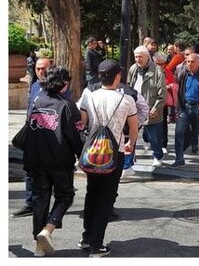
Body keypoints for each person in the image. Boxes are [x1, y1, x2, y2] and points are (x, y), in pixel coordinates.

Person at [78, 60, 139, 257]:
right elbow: (133, 127)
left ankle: (86, 237)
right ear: (118, 77)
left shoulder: (90, 97)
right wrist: (131, 143)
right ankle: (97, 244)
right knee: (106, 198)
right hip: (115, 152)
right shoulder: (126, 100)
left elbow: (82, 123)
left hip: (93, 153)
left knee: (91, 194)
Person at [23, 66, 83, 256]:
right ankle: (47, 230)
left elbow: (28, 126)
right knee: (65, 196)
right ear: (64, 83)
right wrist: (82, 156)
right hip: (59, 160)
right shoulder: (67, 105)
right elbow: (75, 135)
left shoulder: (37, 100)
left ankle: (39, 245)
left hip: (35, 158)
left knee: (40, 199)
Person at [12, 57, 52, 218]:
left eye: (44, 68)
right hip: (32, 135)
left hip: (49, 138)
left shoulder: (57, 87)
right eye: (38, 69)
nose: (41, 71)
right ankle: (30, 203)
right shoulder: (35, 85)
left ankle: (52, 204)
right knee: (29, 170)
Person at [172, 53, 199, 167]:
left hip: (198, 108)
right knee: (179, 132)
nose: (189, 64)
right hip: (185, 108)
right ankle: (179, 159)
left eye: (192, 62)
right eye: (188, 62)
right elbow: (180, 91)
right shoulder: (183, 75)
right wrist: (179, 107)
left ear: (198, 63)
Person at [127, 45, 166, 166]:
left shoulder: (157, 70)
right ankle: (129, 161)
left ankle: (158, 156)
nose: (138, 59)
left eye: (140, 57)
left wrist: (156, 108)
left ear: (147, 57)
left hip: (151, 107)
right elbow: (128, 86)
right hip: (135, 108)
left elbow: (162, 93)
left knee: (154, 137)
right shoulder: (133, 69)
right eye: (136, 57)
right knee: (130, 135)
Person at [153, 52, 177, 154]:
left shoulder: (167, 71)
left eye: (162, 64)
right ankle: (150, 140)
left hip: (162, 101)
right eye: (157, 64)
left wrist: (169, 86)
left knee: (162, 123)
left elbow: (173, 83)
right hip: (150, 100)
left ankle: (163, 143)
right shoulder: (149, 71)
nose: (160, 66)